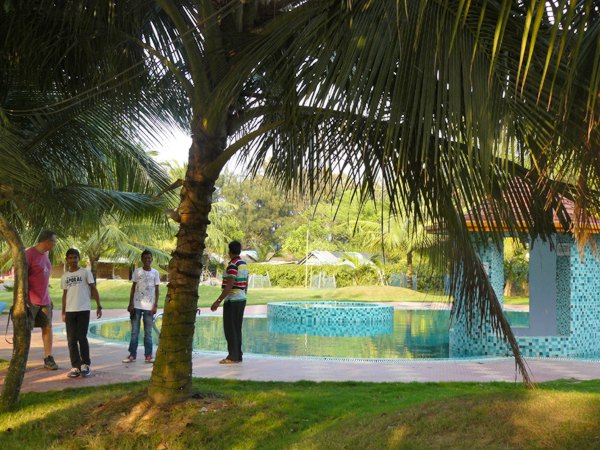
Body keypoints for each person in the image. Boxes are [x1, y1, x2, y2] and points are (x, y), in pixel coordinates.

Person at [60, 248, 102, 378]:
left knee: (81, 337)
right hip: (70, 311)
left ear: (79, 259)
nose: (73, 260)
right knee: (71, 339)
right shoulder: (65, 276)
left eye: (75, 257)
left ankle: (85, 365)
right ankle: (75, 366)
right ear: (67, 260)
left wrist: (99, 305)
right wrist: (63, 311)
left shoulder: (85, 272)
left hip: (83, 309)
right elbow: (65, 294)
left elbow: (93, 289)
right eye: (70, 258)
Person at [211, 241, 249, 364]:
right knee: (237, 328)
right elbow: (246, 282)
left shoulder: (233, 265)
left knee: (230, 328)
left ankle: (232, 357)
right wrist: (244, 293)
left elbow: (230, 284)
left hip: (233, 300)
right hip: (241, 298)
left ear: (229, 251)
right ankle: (238, 355)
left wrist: (218, 301)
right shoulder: (243, 264)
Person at [26, 230, 59, 370]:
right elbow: (21, 278)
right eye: (54, 241)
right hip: (30, 301)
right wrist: (23, 301)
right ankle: (21, 360)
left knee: (47, 328)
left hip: (45, 300)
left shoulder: (46, 254)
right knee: (25, 330)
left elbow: (43, 278)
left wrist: (48, 298)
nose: (55, 244)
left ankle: (48, 358)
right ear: (47, 241)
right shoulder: (29, 254)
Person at [122, 250, 160, 364]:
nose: (147, 260)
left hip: (149, 307)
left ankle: (148, 355)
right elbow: (133, 288)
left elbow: (157, 290)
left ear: (152, 259)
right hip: (136, 306)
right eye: (145, 258)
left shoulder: (155, 273)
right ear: (142, 259)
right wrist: (131, 303)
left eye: (149, 258)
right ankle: (132, 355)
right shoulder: (137, 271)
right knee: (134, 332)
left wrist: (155, 305)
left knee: (148, 333)